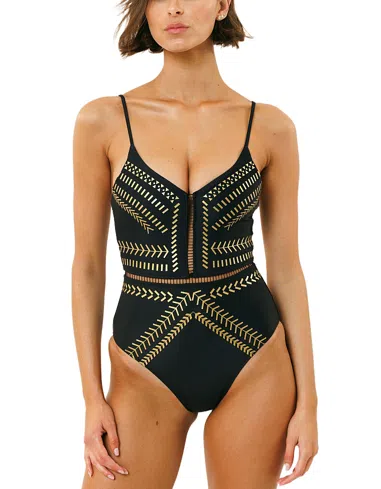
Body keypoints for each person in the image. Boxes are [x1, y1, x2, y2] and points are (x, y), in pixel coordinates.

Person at [72, 1, 318, 487]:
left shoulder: (271, 127)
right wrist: (91, 397)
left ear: (223, 4)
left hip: (255, 359)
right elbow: (88, 266)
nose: (175, 8)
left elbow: (287, 269)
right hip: (142, 365)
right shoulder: (103, 121)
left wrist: (309, 402)